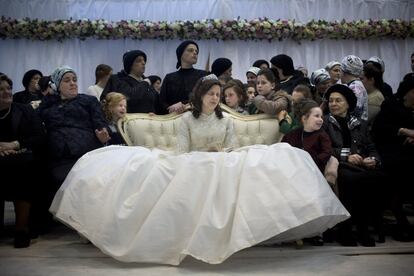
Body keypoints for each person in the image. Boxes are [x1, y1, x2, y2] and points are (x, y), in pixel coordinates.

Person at [49, 74, 349, 265]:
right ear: (200, 95)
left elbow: (232, 147)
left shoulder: (226, 120)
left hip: (222, 160)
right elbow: (181, 151)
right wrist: (204, 152)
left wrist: (221, 152)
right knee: (183, 171)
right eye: (211, 94)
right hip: (193, 160)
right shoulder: (187, 119)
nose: (216, 98)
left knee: (276, 158)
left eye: (219, 94)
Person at [323, 84, 386, 246]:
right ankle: (346, 230)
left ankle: (363, 228)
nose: (333, 104)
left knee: (376, 177)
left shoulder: (360, 123)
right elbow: (325, 149)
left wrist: (373, 159)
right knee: (352, 180)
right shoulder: (324, 123)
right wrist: (347, 156)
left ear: (348, 104)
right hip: (337, 165)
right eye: (331, 101)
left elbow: (371, 147)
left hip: (360, 165)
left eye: (338, 101)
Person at [38, 66, 110, 191]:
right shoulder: (48, 103)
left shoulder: (89, 101)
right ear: (56, 86)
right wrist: (49, 96)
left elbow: (101, 123)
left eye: (74, 80)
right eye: (67, 80)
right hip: (59, 156)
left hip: (87, 153)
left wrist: (103, 133)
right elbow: (36, 121)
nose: (73, 83)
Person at [0, 74, 46, 248]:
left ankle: (21, 229)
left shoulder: (24, 110)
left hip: (22, 158)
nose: (7, 92)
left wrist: (15, 144)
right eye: (1, 89)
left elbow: (39, 137)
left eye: (8, 88)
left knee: (23, 171)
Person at [371, 76, 414, 241]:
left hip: (409, 152)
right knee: (397, 174)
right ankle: (402, 223)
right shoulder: (391, 106)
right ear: (407, 93)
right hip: (391, 151)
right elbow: (379, 129)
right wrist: (404, 131)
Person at [159, 40, 208, 114]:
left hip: (197, 117)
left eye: (196, 51)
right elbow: (162, 101)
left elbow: (205, 97)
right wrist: (172, 109)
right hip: (173, 119)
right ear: (181, 54)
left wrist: (183, 104)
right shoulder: (169, 77)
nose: (195, 53)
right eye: (190, 50)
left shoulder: (203, 75)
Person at [340, 55, 369, 120]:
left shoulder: (354, 87)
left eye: (340, 70)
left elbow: (352, 112)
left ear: (344, 71)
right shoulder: (357, 85)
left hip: (356, 128)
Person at [361, 63, 385, 128]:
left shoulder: (376, 97)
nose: (359, 82)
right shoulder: (369, 94)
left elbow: (363, 120)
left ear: (371, 80)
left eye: (361, 79)